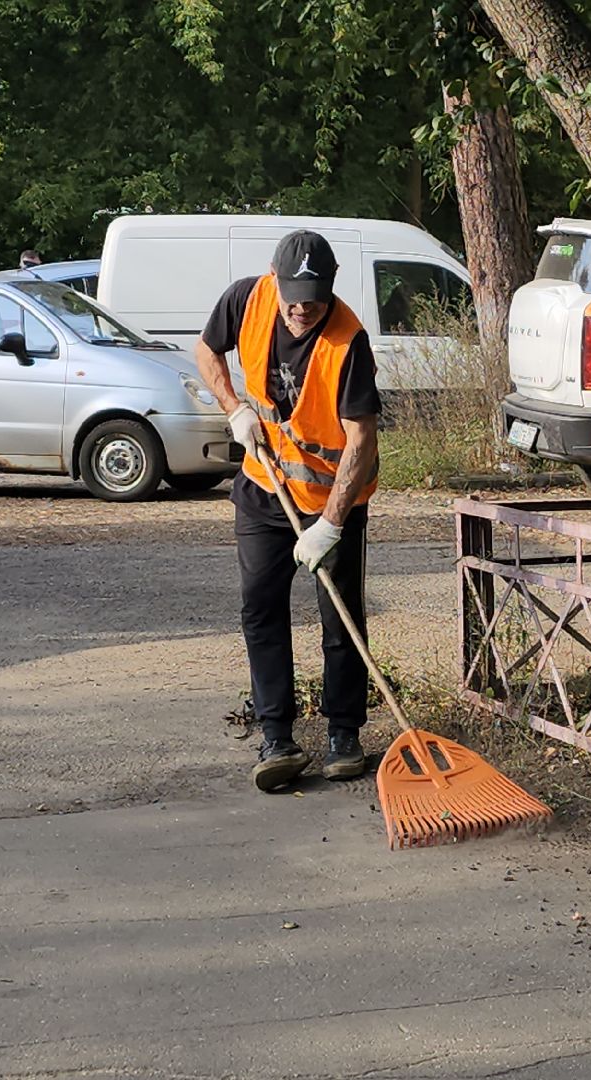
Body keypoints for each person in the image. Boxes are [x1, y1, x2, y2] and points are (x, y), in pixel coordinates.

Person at [193, 231, 382, 792]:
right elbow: (206, 350)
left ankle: (344, 734)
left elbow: (361, 436)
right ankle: (277, 737)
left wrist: (331, 524)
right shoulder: (247, 299)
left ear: (331, 287)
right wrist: (234, 409)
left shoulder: (349, 342)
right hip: (263, 487)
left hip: (333, 500)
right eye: (293, 296)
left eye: (314, 298)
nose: (302, 309)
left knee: (340, 618)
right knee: (261, 609)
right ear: (274, 278)